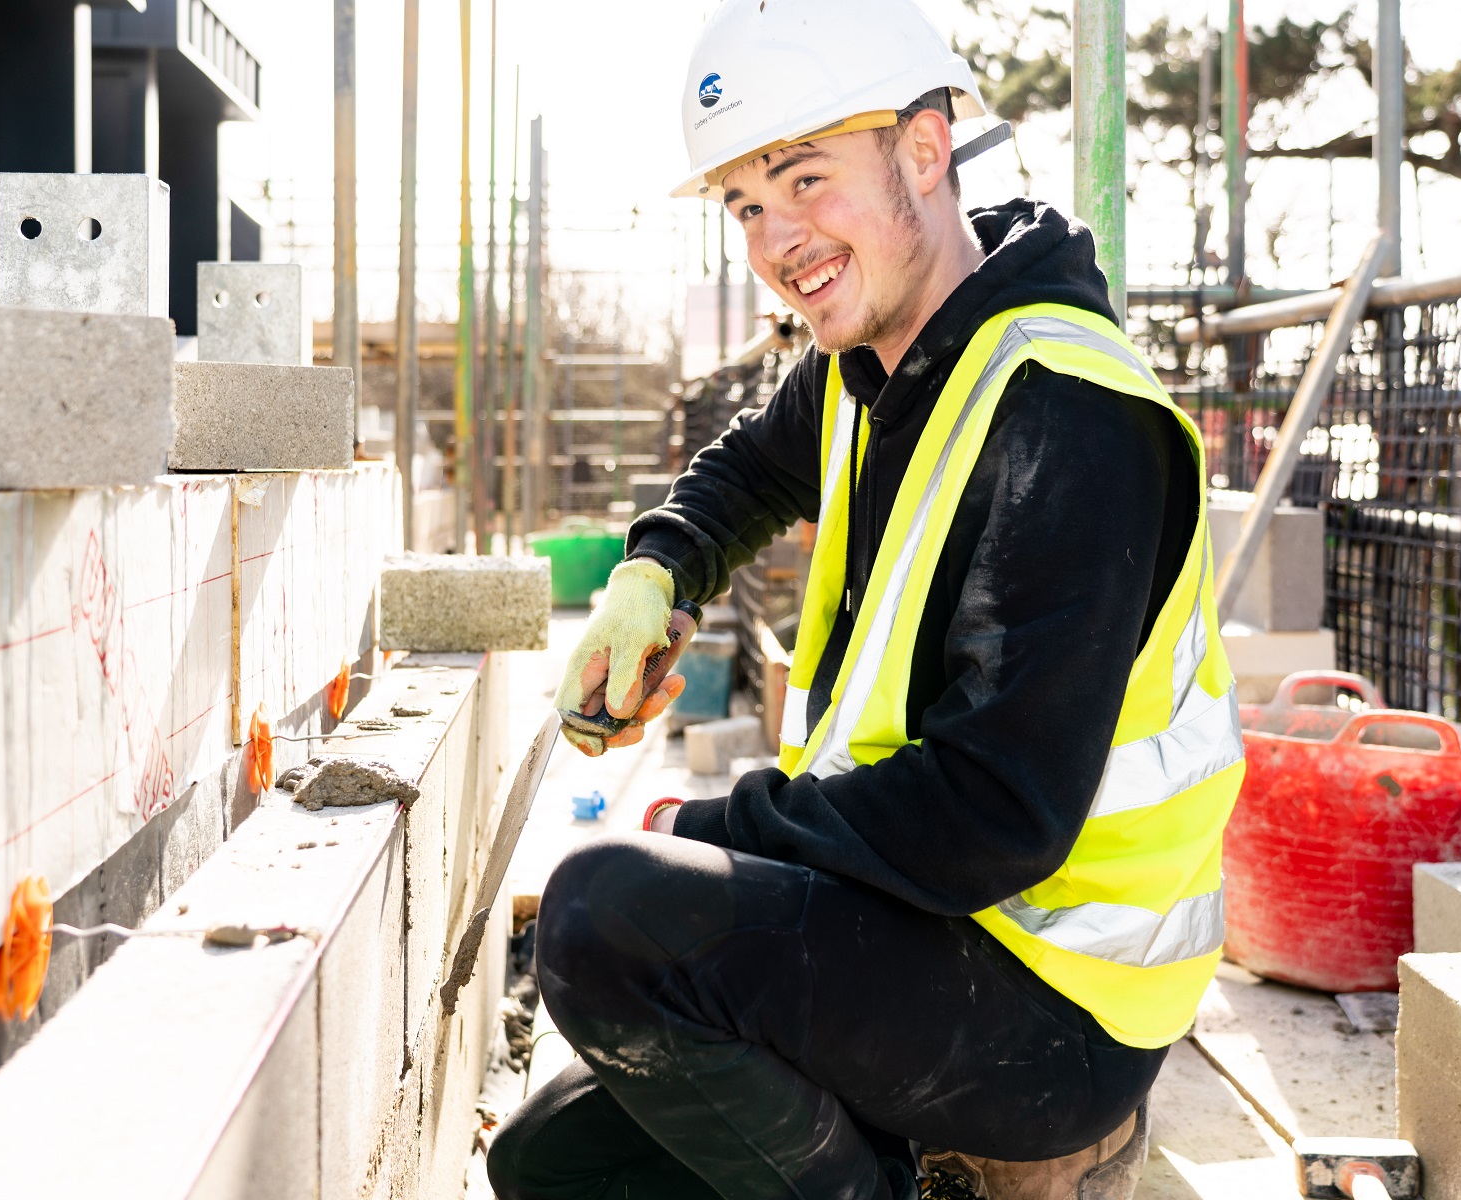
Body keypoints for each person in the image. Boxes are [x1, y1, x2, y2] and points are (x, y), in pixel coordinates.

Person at [488, 1, 1244, 1196]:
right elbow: (746, 468)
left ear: (925, 149)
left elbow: (995, 813)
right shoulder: (875, 358)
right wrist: (657, 570)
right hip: (926, 925)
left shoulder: (1064, 412)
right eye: (746, 205)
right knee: (554, 1163)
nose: (779, 236)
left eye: (805, 178)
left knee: (604, 920)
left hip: (1059, 1005)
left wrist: (712, 830)